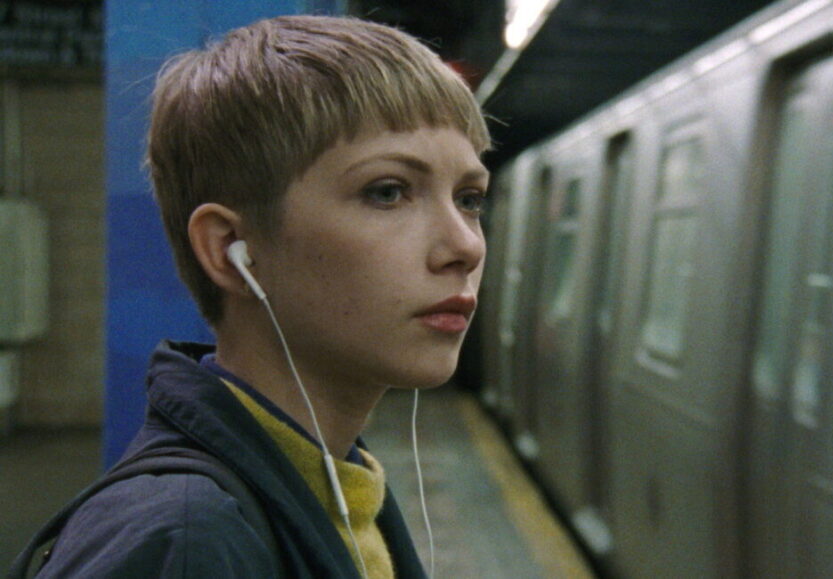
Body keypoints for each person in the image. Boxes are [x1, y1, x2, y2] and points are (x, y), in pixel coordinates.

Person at [15, 14, 489, 578]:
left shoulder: (333, 483)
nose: (465, 247)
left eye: (469, 199)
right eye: (387, 192)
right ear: (230, 249)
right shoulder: (187, 545)